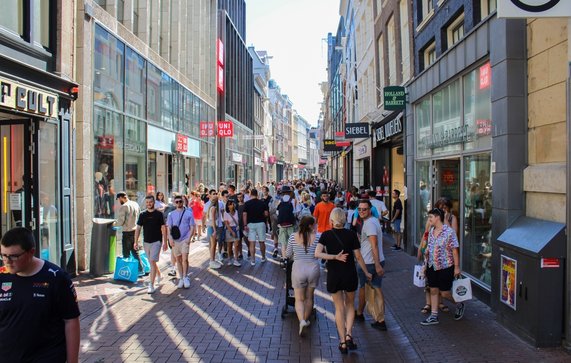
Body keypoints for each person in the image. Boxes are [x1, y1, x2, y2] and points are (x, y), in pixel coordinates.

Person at [0, 227, 80, 362]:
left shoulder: (56, 278)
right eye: (3, 255)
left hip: (46, 357)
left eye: (14, 256)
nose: (7, 261)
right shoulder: (2, 276)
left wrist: (72, 361)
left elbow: (71, 320)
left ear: (31, 252)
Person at [315, 208, 371, 354]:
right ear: (344, 219)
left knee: (339, 308)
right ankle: (349, 335)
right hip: (349, 273)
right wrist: (366, 272)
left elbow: (317, 253)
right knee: (350, 304)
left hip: (334, 274)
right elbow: (358, 257)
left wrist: (334, 257)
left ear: (331, 220)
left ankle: (342, 342)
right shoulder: (351, 234)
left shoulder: (326, 235)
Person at [421, 208, 465, 325]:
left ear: (437, 217)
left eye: (430, 217)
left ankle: (459, 303)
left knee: (445, 293)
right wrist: (426, 256)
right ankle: (434, 316)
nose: (429, 219)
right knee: (433, 290)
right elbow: (430, 245)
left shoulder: (449, 232)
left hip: (446, 266)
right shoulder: (431, 230)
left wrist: (456, 267)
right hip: (432, 265)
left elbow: (455, 250)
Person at [354, 199, 387, 331]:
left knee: (366, 289)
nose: (362, 211)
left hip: (369, 262)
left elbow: (374, 245)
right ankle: (378, 318)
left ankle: (371, 316)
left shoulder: (369, 224)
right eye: (359, 209)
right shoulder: (373, 221)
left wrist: (377, 264)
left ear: (370, 209)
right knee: (375, 289)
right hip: (373, 261)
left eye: (365, 209)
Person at [286, 216, 321, 336]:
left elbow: (288, 254)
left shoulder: (292, 237)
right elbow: (321, 252)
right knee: (309, 298)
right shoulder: (317, 237)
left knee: (299, 299)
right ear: (311, 225)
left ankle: (301, 320)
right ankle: (306, 319)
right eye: (315, 224)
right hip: (313, 268)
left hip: (298, 269)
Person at [135, 195, 168, 293]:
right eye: (147, 202)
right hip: (146, 242)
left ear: (154, 202)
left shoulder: (159, 214)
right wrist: (135, 241)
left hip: (156, 241)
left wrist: (165, 242)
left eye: (150, 202)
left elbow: (163, 228)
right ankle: (159, 274)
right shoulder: (142, 214)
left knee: (152, 261)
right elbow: (138, 228)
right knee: (151, 262)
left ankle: (151, 285)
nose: (149, 204)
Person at [166, 195, 195, 289]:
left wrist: (189, 238)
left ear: (183, 202)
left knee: (184, 258)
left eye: (180, 201)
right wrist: (169, 239)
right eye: (177, 202)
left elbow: (192, 227)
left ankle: (185, 277)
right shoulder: (171, 214)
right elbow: (168, 228)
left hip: (184, 239)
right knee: (178, 259)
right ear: (174, 203)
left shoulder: (188, 213)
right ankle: (181, 277)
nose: (179, 203)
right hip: (175, 240)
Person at [115, 191, 143, 274]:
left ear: (121, 198)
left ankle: (126, 272)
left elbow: (120, 221)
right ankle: (140, 269)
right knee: (135, 252)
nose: (119, 201)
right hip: (135, 231)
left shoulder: (124, 207)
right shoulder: (135, 204)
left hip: (127, 232)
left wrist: (113, 224)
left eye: (118, 199)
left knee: (126, 253)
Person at [243, 189, 269, 265]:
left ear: (250, 194)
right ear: (257, 194)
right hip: (261, 223)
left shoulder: (247, 203)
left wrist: (245, 225)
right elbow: (266, 214)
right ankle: (263, 257)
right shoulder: (262, 203)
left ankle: (253, 260)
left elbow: (244, 215)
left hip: (250, 224)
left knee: (252, 242)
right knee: (261, 242)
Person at [276, 186, 297, 258]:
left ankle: (284, 258)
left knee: (283, 243)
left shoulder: (280, 201)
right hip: (291, 224)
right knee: (293, 242)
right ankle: (291, 258)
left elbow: (277, 213)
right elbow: (296, 212)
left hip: (282, 224)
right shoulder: (293, 200)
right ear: (289, 192)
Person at [223, 200, 241, 266]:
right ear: (227, 206)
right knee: (229, 246)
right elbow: (226, 224)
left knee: (236, 245)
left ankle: (236, 259)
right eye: (230, 204)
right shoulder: (226, 213)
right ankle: (230, 258)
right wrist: (232, 231)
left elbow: (238, 220)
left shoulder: (236, 212)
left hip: (236, 229)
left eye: (232, 204)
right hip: (229, 230)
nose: (231, 205)